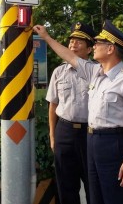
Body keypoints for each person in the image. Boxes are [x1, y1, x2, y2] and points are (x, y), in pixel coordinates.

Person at [34, 20, 123, 204]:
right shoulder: (95, 73)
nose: (95, 46)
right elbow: (69, 56)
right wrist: (46, 37)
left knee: (116, 197)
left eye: (99, 43)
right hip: (92, 140)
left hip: (113, 143)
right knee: (96, 197)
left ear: (110, 49)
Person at [46, 21, 97, 204]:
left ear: (90, 49)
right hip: (64, 132)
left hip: (89, 133)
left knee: (92, 184)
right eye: (71, 41)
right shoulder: (59, 72)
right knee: (66, 185)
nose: (73, 44)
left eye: (79, 42)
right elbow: (52, 106)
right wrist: (53, 135)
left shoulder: (96, 73)